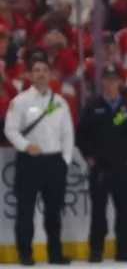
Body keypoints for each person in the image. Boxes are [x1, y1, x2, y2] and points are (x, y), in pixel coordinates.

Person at [3, 54, 74, 266]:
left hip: (54, 163)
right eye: (37, 70)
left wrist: (65, 160)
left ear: (51, 75)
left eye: (44, 70)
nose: (41, 74)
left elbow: (67, 133)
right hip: (30, 162)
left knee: (54, 212)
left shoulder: (60, 103)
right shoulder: (20, 101)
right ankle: (25, 253)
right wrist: (26, 146)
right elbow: (11, 129)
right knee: (25, 210)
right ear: (29, 75)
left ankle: (55, 253)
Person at [76, 67, 127, 262]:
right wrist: (88, 155)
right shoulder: (93, 106)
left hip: (122, 167)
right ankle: (96, 250)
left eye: (114, 79)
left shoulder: (126, 108)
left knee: (124, 210)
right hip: (100, 168)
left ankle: (123, 250)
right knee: (99, 210)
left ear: (119, 82)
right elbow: (81, 134)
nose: (111, 83)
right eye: (107, 79)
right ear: (102, 81)